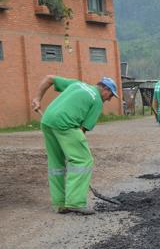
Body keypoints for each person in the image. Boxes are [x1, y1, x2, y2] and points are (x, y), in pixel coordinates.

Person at [31, 75, 119, 215]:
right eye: (111, 95)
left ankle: (59, 204)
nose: (109, 99)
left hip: (47, 121)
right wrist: (72, 150)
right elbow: (82, 130)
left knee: (56, 164)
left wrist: (37, 99)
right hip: (65, 124)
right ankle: (75, 201)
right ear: (105, 89)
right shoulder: (97, 101)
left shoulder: (77, 84)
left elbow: (49, 78)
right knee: (83, 160)